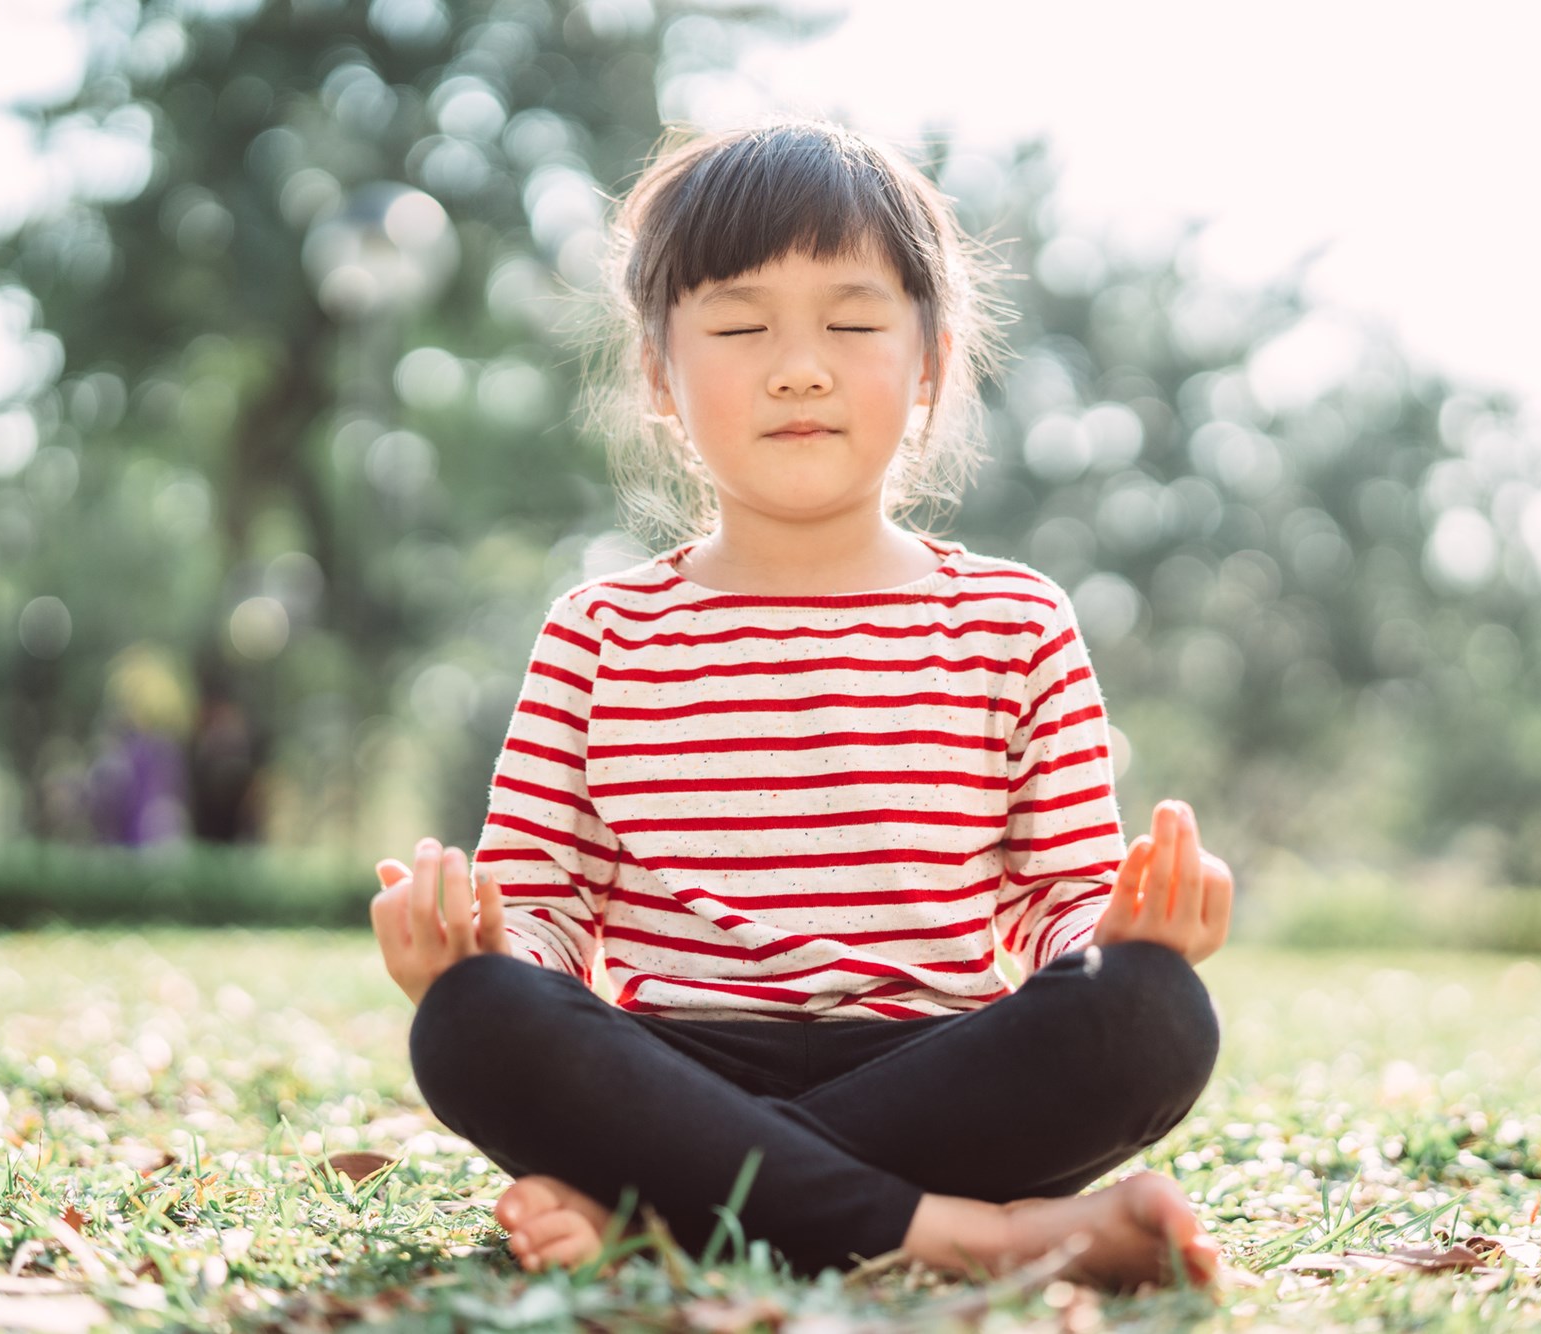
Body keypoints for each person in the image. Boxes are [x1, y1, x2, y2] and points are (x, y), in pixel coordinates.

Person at [368, 117, 1235, 1290]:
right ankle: (971, 1236)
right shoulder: (599, 631)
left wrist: (1122, 936)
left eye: (851, 321)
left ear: (928, 362)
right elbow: (546, 909)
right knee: (472, 1020)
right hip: (669, 1069)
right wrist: (475, 948)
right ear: (658, 376)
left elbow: (1058, 901)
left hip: (938, 1062)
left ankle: (660, 1219)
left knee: (1152, 1013)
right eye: (736, 325)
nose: (797, 366)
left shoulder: (1012, 622)